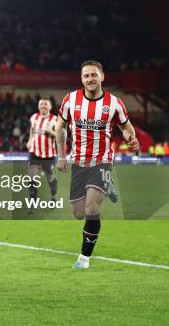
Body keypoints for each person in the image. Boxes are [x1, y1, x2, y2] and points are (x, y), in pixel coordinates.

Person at [56, 60, 139, 269]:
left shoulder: (114, 103)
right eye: (86, 76)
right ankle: (108, 186)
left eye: (94, 75)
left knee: (92, 207)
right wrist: (61, 155)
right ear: (81, 79)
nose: (90, 79)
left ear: (102, 77)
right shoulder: (70, 100)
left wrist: (131, 138)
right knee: (78, 213)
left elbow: (126, 127)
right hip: (79, 163)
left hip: (102, 161)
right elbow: (60, 127)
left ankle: (84, 258)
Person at [26, 98, 59, 204]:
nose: (43, 105)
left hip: (49, 155)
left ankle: (53, 196)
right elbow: (32, 130)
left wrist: (50, 131)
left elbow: (61, 137)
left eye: (46, 104)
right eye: (41, 104)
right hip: (34, 153)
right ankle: (33, 203)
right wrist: (30, 140)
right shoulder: (34, 117)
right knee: (32, 179)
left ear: (50, 107)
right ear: (38, 106)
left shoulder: (55, 119)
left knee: (50, 179)